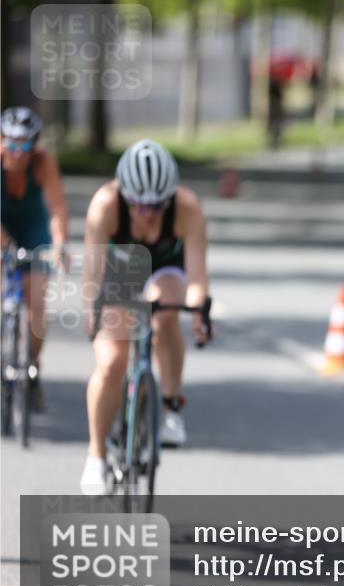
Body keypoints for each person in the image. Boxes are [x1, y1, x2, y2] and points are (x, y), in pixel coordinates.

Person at [80, 139, 210, 495]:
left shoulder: (187, 207)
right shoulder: (105, 205)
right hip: (120, 269)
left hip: (165, 268)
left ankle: (170, 404)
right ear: (124, 195)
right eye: (138, 204)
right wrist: (93, 310)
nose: (147, 212)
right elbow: (92, 273)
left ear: (170, 196)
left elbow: (197, 277)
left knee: (167, 315)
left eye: (156, 204)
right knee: (111, 363)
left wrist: (199, 312)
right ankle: (96, 455)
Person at [1, 107, 69, 411]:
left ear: (34, 145)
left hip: (32, 227)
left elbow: (57, 209)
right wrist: (7, 246)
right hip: (2, 227)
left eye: (24, 144)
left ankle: (32, 366)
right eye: (10, 142)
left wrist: (60, 245)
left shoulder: (43, 163)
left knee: (38, 299)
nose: (17, 151)